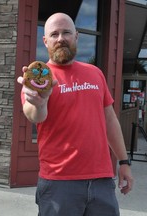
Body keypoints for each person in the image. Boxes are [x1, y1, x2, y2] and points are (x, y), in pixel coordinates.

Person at [17, 13, 134, 216]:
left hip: (102, 181)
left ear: (76, 36)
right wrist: (40, 102)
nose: (60, 38)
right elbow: (34, 115)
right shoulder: (38, 80)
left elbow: (109, 120)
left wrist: (123, 161)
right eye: (54, 34)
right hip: (59, 184)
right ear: (45, 41)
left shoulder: (95, 73)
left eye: (66, 32)